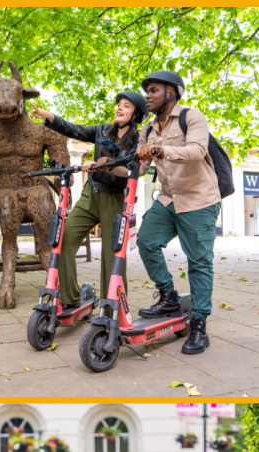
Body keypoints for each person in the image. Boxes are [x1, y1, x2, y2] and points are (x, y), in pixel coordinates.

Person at [29, 90, 148, 310]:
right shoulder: (102, 130)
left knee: (112, 256)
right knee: (63, 239)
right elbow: (75, 130)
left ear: (136, 115)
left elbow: (136, 167)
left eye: (127, 106)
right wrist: (50, 117)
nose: (119, 108)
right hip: (90, 195)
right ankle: (70, 298)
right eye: (119, 104)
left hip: (115, 198)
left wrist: (107, 163)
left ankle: (112, 306)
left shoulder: (140, 140)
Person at [135, 70, 222, 356]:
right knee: (146, 240)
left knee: (198, 262)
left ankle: (199, 324)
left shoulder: (191, 116)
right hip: (168, 199)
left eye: (154, 90)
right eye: (146, 90)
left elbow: (197, 151)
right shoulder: (147, 129)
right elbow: (140, 168)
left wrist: (160, 150)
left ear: (171, 92)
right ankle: (169, 296)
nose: (147, 94)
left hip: (199, 199)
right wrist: (109, 166)